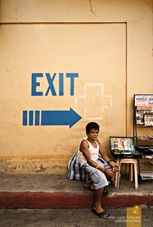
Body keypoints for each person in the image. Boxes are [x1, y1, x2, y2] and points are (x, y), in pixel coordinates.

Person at [77, 122, 119, 219]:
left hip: (97, 161)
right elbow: (89, 161)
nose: (95, 134)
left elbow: (103, 154)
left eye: (97, 132)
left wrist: (110, 162)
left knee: (114, 169)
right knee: (102, 179)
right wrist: (104, 170)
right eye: (92, 133)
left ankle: (93, 185)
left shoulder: (96, 141)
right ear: (87, 133)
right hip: (88, 164)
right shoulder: (84, 143)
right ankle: (97, 206)